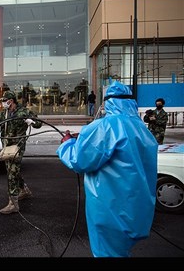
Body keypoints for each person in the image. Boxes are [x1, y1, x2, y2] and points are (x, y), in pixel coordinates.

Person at [56, 80, 158, 257]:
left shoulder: (104, 126)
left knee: (107, 253)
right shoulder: (141, 127)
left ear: (107, 102)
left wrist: (67, 144)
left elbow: (80, 161)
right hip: (136, 206)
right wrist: (83, 138)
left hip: (110, 206)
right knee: (121, 251)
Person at [0, 91, 42, 215]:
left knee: (11, 173)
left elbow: (39, 123)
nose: (3, 103)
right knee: (13, 170)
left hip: (17, 146)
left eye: (5, 101)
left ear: (11, 100)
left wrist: (32, 122)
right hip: (6, 146)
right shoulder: (4, 113)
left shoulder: (24, 112)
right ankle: (24, 190)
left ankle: (13, 204)